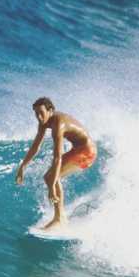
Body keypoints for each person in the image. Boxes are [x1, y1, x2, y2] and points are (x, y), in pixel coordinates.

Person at [15, 97, 96, 231]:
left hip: (87, 152)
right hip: (78, 149)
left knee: (51, 177)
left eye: (41, 113)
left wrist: (52, 186)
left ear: (50, 110)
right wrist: (23, 166)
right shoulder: (44, 122)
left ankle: (59, 219)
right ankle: (60, 217)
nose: (39, 117)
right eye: (36, 114)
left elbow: (57, 157)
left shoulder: (58, 123)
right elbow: (36, 146)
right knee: (50, 177)